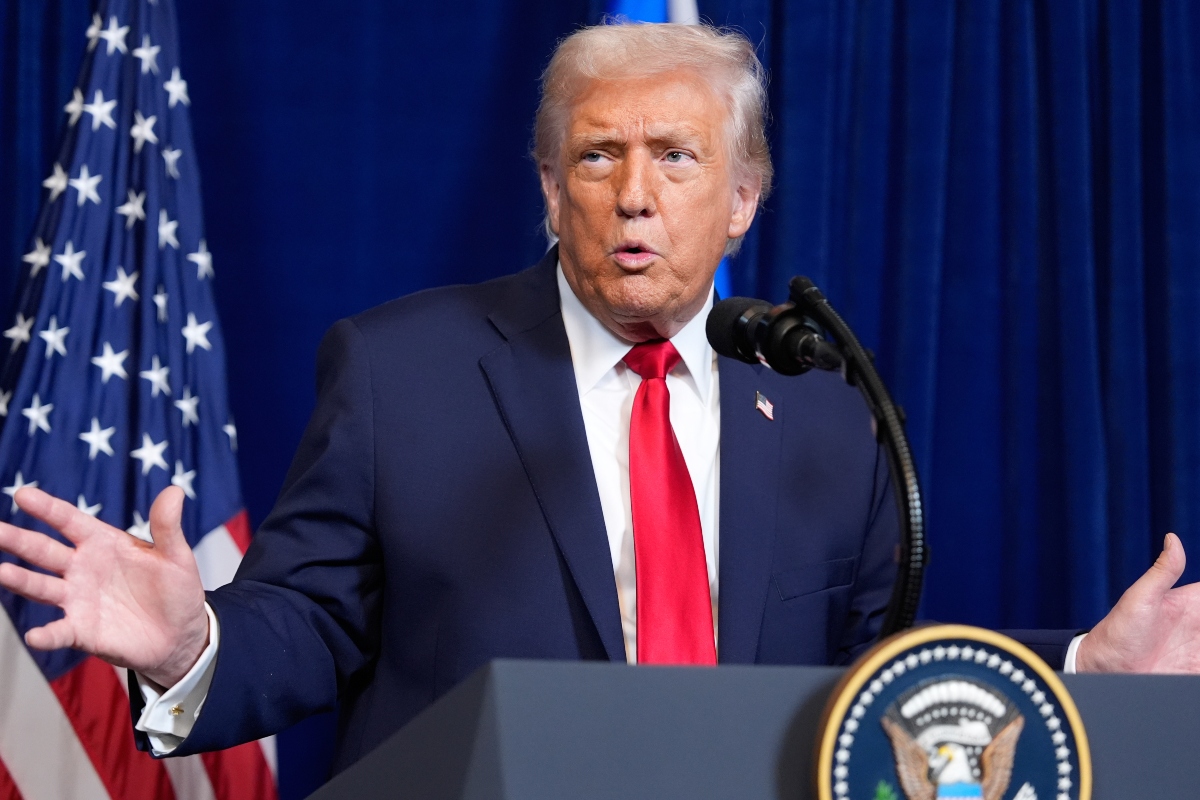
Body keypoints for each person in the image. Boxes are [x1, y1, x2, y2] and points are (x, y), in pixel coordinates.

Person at [0, 22, 1198, 775]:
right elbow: (308, 620)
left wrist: (1080, 669)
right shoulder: (400, 371)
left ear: (743, 198)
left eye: (676, 156)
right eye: (597, 155)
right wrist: (193, 641)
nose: (634, 194)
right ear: (547, 186)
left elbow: (875, 678)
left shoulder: (826, 412)